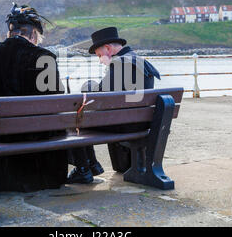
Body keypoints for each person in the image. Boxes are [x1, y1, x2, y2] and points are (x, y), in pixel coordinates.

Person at [0, 3, 68, 195]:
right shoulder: (44, 57)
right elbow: (54, 100)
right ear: (33, 34)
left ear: (11, 31)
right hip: (35, 139)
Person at [67, 27, 161, 184]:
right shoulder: (140, 62)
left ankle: (84, 168)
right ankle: (92, 165)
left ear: (108, 49)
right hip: (141, 124)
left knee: (73, 122)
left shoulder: (119, 64)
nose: (99, 60)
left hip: (125, 125)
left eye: (99, 55)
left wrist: (88, 86)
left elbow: (100, 98)